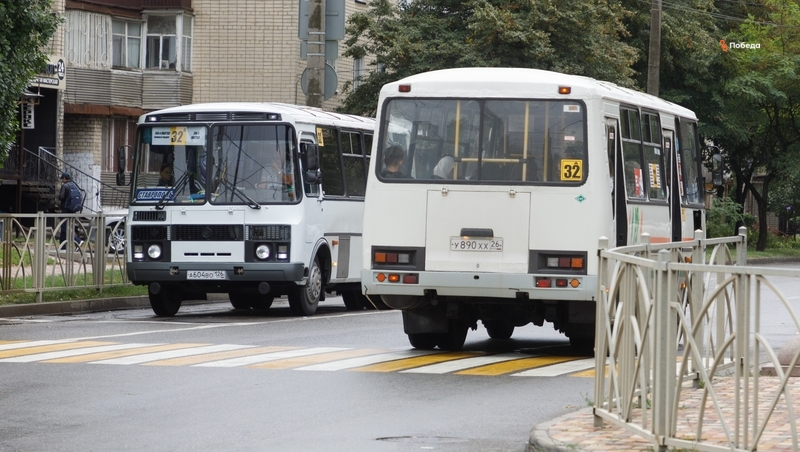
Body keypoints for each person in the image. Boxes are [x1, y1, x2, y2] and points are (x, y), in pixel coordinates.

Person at [57, 172, 82, 249]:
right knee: (64, 227)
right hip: (72, 209)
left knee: (64, 227)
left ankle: (77, 241)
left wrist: (59, 194)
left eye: (62, 179)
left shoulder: (65, 186)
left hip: (66, 209)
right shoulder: (74, 186)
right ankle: (63, 246)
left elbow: (61, 197)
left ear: (65, 178)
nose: (61, 180)